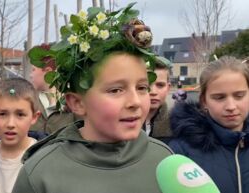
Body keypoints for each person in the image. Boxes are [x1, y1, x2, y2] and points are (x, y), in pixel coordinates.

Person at [12, 4, 173, 193]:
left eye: (142, 88)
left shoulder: (165, 161)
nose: (135, 102)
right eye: (116, 90)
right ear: (77, 103)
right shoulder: (40, 172)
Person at [169, 56, 249, 193]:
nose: (231, 106)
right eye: (219, 97)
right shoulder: (181, 151)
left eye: (239, 95)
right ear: (204, 101)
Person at [0, 78, 47, 193]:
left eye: (20, 114)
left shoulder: (47, 157)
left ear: (34, 117)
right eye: (2, 114)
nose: (10, 124)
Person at [29, 43, 80, 133]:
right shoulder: (29, 101)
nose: (30, 75)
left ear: (48, 71)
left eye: (33, 70)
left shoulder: (71, 104)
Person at [143, 57, 172, 144]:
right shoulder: (120, 124)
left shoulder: (176, 127)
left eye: (160, 85)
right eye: (146, 85)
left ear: (168, 88)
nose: (153, 92)